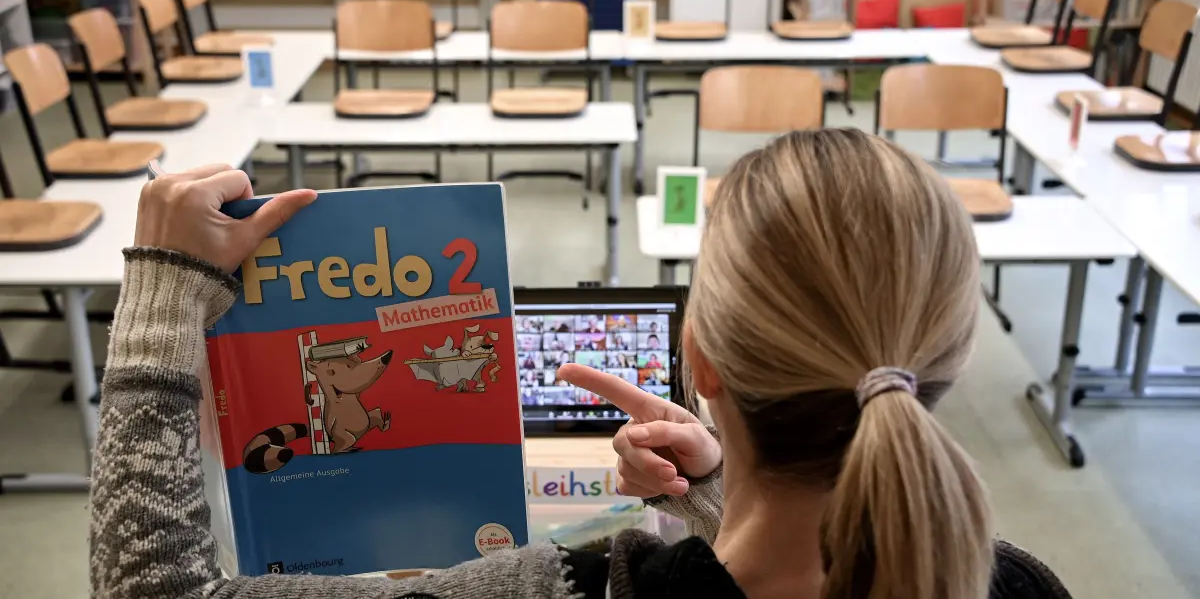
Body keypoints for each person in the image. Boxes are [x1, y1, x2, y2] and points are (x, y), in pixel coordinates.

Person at [93, 132, 1071, 599]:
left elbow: (152, 594)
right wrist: (722, 499)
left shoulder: (574, 589)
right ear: (946, 356)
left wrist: (163, 294)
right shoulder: (1019, 587)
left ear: (699, 358)